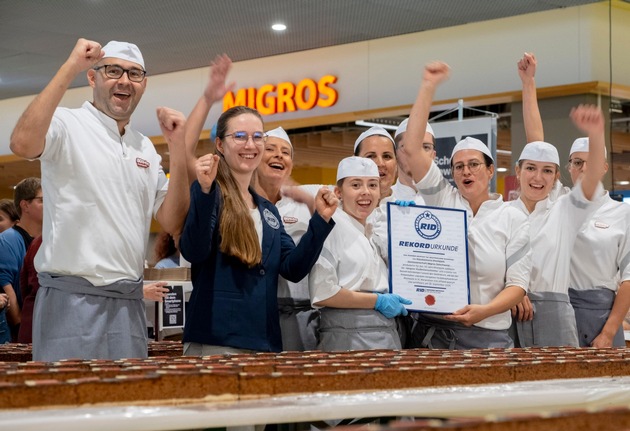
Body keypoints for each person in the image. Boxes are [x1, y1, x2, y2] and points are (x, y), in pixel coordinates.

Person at [10, 38, 190, 361]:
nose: (124, 81)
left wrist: (178, 147)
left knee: (127, 404)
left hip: (129, 303)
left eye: (134, 74)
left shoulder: (144, 148)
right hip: (70, 300)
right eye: (113, 70)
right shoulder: (67, 124)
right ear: (92, 78)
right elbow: (21, 143)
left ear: (144, 84)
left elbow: (173, 220)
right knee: (69, 404)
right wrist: (70, 67)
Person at [179, 104, 337, 356]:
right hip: (218, 338)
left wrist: (320, 220)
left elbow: (293, 269)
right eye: (239, 136)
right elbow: (194, 251)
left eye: (257, 137)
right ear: (220, 145)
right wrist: (205, 192)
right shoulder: (210, 192)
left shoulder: (268, 211)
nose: (250, 145)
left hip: (263, 339)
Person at [397, 61, 531, 349]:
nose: (466, 172)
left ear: (491, 170)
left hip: (490, 335)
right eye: (459, 167)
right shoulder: (443, 199)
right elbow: (411, 149)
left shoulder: (512, 216)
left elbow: (518, 285)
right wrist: (428, 87)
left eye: (473, 165)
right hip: (436, 334)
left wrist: (484, 311)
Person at [517, 53, 630, 347]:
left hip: (602, 313)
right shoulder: (560, 201)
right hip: (559, 305)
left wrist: (608, 331)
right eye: (575, 162)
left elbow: (628, 280)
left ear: (603, 167)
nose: (582, 168)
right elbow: (536, 146)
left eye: (589, 162)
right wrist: (529, 84)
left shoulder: (621, 213)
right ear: (566, 168)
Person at [309, 156, 411, 351]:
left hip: (386, 334)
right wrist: (378, 301)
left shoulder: (372, 228)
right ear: (338, 192)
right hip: (346, 337)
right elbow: (322, 292)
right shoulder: (330, 227)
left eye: (372, 185)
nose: (366, 192)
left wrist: (407, 224)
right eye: (356, 185)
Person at [252, 126, 322, 351]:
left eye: (286, 152)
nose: (279, 155)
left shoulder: (303, 199)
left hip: (300, 314)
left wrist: (312, 206)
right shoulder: (242, 203)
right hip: (253, 309)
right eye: (270, 149)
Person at [0, 177, 43, 342]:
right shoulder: (7, 240)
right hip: (22, 333)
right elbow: (7, 290)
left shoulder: (47, 239)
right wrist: (22, 328)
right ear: (25, 205)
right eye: (42, 200)